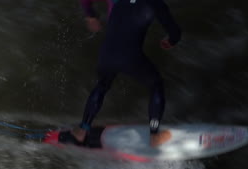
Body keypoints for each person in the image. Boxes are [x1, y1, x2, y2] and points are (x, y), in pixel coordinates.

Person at [73, 0, 181, 147]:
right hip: (129, 56)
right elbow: (175, 33)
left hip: (105, 55)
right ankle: (155, 135)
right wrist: (170, 41)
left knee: (102, 85)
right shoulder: (155, 3)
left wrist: (90, 14)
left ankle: (82, 129)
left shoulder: (118, 2)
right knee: (156, 85)